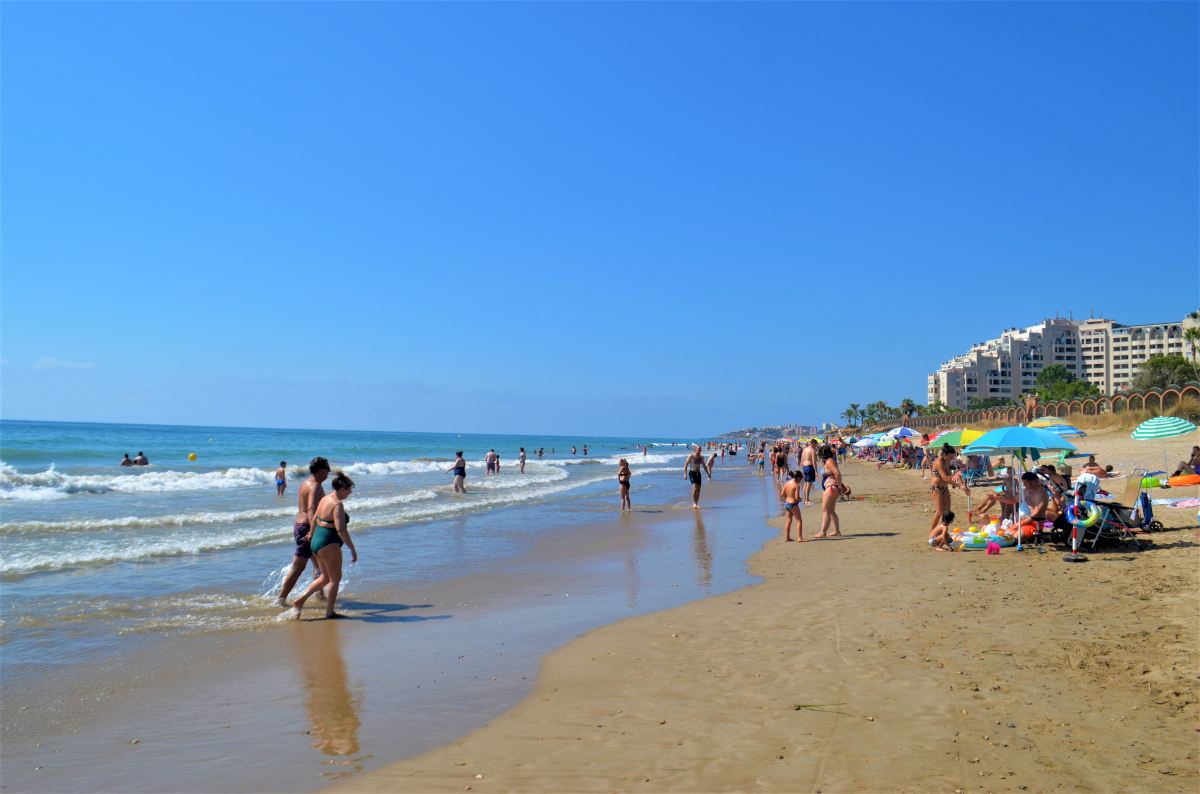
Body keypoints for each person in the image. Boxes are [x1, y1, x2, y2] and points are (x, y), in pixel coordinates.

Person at [292, 471, 358, 619]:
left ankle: (299, 601)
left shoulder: (325, 498)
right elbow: (341, 530)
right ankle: (329, 612)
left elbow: (314, 519)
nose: (350, 493)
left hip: (316, 541)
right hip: (329, 543)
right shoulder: (337, 505)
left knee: (325, 578)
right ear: (343, 489)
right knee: (335, 579)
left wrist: (311, 534)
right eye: (349, 489)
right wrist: (352, 549)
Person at [278, 456, 331, 605]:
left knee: (319, 564)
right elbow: (311, 508)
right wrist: (313, 531)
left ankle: (320, 596)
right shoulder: (315, 485)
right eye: (327, 469)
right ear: (320, 470)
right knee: (298, 567)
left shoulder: (305, 483)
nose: (328, 473)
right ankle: (280, 599)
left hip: (300, 525)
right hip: (307, 527)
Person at [930, 445, 968, 532]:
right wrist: (959, 486)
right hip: (936, 488)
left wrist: (959, 483)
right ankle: (933, 533)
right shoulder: (938, 462)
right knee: (939, 512)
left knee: (947, 512)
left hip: (944, 487)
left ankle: (943, 530)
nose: (952, 459)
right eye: (950, 457)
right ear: (944, 455)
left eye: (953, 457)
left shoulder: (947, 461)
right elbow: (945, 478)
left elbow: (949, 476)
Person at [814, 445, 846, 538]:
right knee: (831, 511)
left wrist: (840, 487)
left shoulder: (829, 461)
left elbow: (837, 473)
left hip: (831, 488)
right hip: (831, 488)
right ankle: (836, 531)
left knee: (825, 510)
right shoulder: (828, 461)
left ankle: (823, 532)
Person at [780, 470, 804, 542]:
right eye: (801, 479)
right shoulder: (796, 485)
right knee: (799, 520)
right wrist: (801, 499)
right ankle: (799, 537)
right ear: (798, 478)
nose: (800, 481)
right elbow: (796, 497)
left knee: (788, 520)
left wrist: (787, 499)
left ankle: (787, 537)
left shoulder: (787, 483)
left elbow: (782, 494)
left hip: (787, 504)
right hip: (793, 505)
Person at [799, 439, 818, 505]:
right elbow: (814, 462)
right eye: (816, 444)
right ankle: (807, 500)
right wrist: (816, 471)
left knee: (806, 483)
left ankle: (804, 499)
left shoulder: (805, 449)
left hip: (804, 467)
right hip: (810, 467)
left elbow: (802, 459)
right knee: (809, 484)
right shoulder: (812, 450)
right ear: (813, 443)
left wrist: (801, 468)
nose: (816, 445)